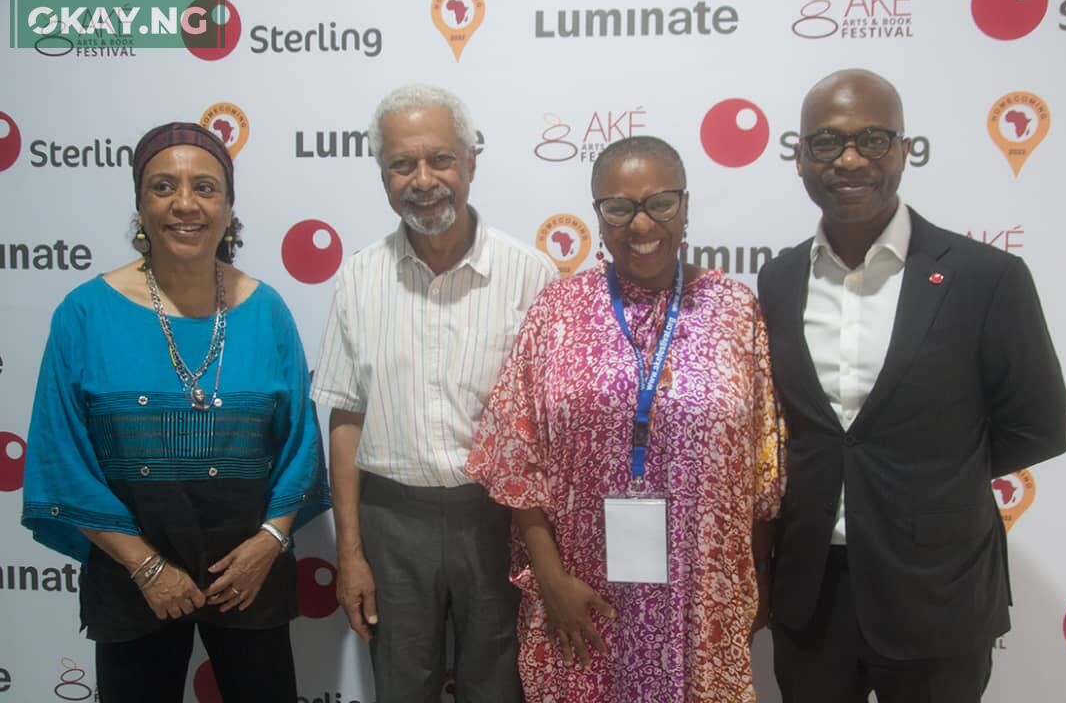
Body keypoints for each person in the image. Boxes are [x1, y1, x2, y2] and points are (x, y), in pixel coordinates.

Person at [758, 69, 1066, 702]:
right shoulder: (778, 279)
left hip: (938, 591)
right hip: (812, 592)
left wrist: (936, 470)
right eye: (827, 142)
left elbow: (1041, 425)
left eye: (873, 139)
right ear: (799, 158)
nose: (850, 159)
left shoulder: (986, 278)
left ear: (905, 150)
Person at [465, 135, 786, 702]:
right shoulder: (557, 311)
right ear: (598, 215)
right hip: (582, 596)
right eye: (619, 207)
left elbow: (763, 468)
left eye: (660, 203)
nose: (641, 224)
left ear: (685, 206)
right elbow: (515, 458)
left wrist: (754, 576)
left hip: (701, 600)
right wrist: (550, 581)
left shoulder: (735, 309)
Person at [21, 122, 330, 703]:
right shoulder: (83, 315)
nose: (185, 203)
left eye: (205, 187)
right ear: (141, 205)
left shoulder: (267, 311)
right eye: (164, 186)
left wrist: (270, 541)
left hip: (249, 572)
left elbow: (300, 447)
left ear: (229, 207)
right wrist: (146, 567)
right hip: (129, 573)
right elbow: (61, 455)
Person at [310, 84, 557, 703]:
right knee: (401, 688)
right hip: (391, 522)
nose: (423, 180)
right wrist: (350, 552)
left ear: (470, 161)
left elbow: (551, 428)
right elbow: (346, 418)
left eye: (440, 159)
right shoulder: (359, 277)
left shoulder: (530, 275)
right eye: (402, 164)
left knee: (500, 689)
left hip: (498, 520)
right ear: (382, 174)